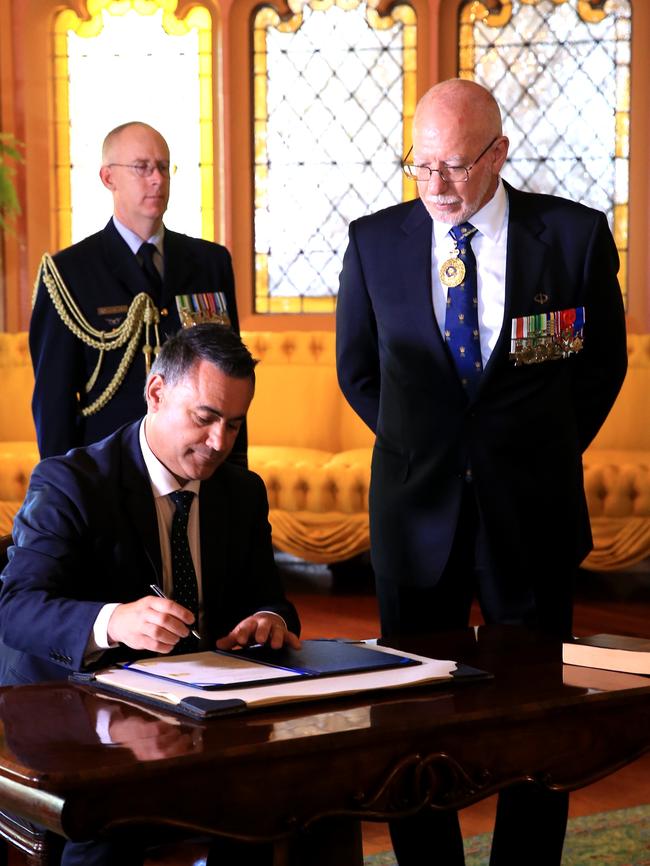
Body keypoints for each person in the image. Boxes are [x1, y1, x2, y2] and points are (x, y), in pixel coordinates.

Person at [336, 78, 627, 865]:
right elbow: (358, 372)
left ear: (499, 153)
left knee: (542, 719)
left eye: (456, 166)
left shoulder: (573, 237)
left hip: (531, 513)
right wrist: (430, 448)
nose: (435, 187)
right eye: (420, 165)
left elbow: (603, 365)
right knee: (410, 718)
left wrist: (541, 450)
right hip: (413, 516)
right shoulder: (374, 242)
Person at [0, 323, 300, 865]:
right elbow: (16, 609)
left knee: (282, 801)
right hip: (72, 712)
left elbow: (270, 596)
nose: (218, 444)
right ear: (156, 392)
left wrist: (266, 617)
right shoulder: (71, 482)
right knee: (114, 825)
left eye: (234, 426)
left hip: (194, 710)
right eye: (205, 418)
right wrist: (112, 620)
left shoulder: (241, 491)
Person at [29, 121, 245, 463]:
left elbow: (232, 377)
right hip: (109, 471)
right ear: (108, 178)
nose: (157, 179)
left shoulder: (210, 262)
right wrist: (61, 487)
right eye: (142, 168)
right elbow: (52, 401)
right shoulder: (68, 273)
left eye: (162, 167)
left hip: (201, 467)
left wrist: (236, 475)